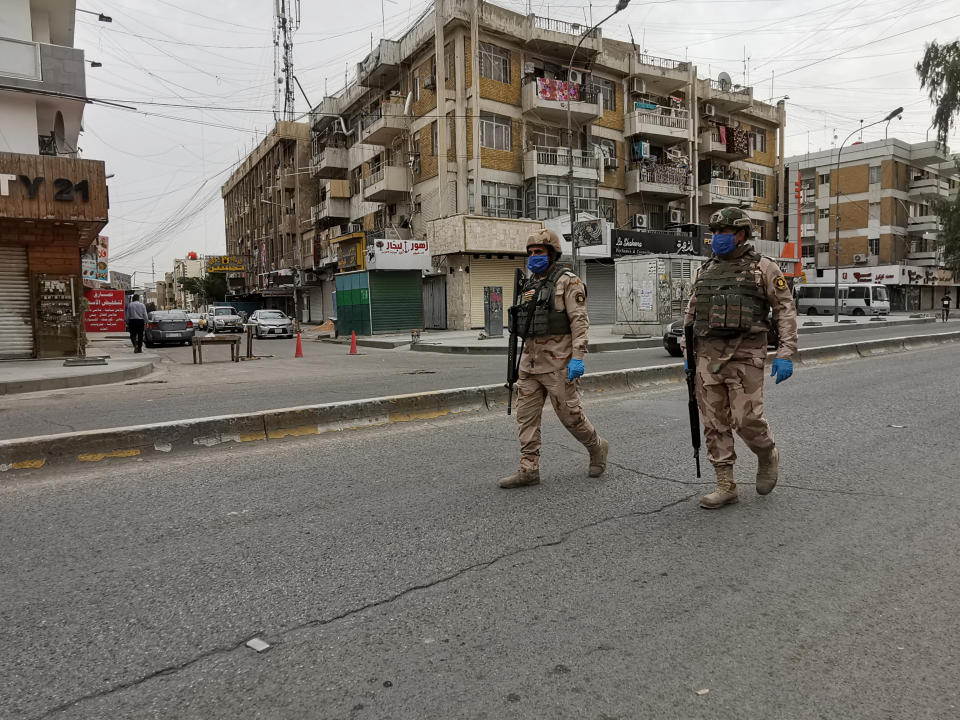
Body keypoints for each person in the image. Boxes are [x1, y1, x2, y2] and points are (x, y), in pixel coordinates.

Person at [683, 207, 798, 509]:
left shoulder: (764, 267)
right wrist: (687, 353)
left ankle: (766, 453)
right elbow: (692, 314)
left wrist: (785, 352)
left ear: (742, 234)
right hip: (707, 357)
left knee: (746, 418)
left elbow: (785, 309)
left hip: (746, 354)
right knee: (714, 423)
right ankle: (726, 484)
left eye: (724, 232)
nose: (718, 238)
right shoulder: (704, 270)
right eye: (715, 232)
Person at [500, 229, 608, 488]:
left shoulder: (568, 281)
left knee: (570, 416)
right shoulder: (529, 284)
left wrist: (578, 357)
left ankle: (596, 446)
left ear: (552, 254)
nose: (534, 256)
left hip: (558, 362)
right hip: (529, 363)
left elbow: (580, 321)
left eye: (539, 252)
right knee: (525, 417)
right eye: (531, 252)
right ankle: (529, 468)